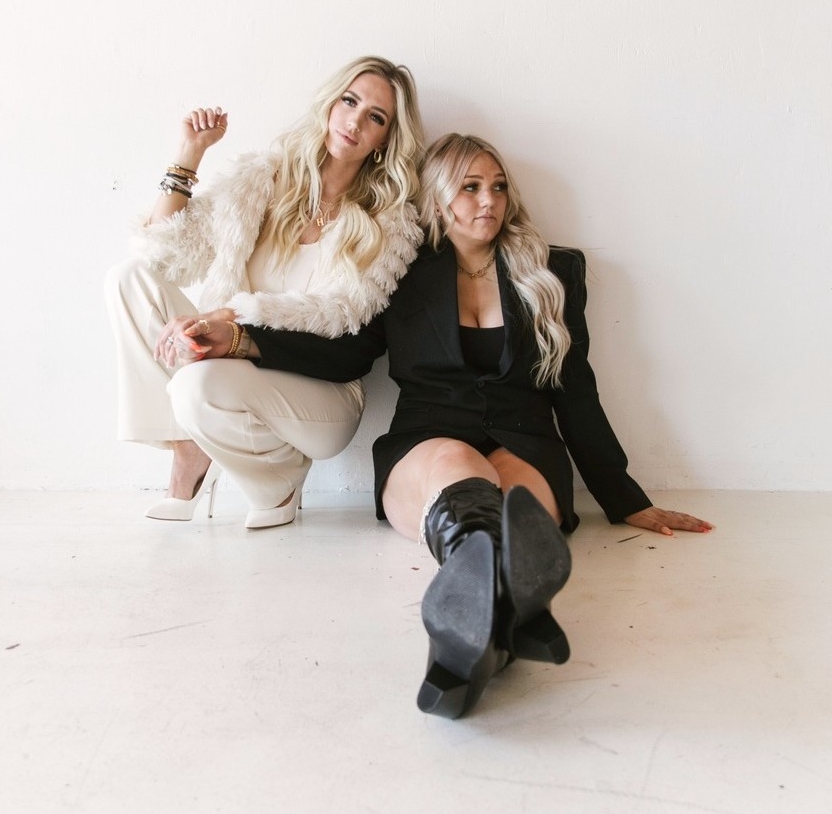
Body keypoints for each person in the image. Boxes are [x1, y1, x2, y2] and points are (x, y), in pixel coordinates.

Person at [245, 133, 714, 718]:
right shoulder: (398, 272)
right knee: (458, 469)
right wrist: (243, 339)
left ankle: (468, 640)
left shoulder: (552, 271)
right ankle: (508, 616)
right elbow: (346, 352)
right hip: (427, 443)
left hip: (525, 440)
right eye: (469, 188)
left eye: (497, 187)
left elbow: (575, 390)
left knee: (516, 512)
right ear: (438, 200)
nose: (488, 200)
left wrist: (624, 499)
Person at [104, 56, 424, 528]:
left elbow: (355, 346)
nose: (355, 121)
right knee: (129, 278)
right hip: (233, 365)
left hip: (324, 395)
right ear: (329, 105)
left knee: (195, 383)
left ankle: (280, 479)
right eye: (349, 101)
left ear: (385, 140)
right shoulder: (261, 183)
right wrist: (189, 154)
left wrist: (233, 330)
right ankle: (189, 445)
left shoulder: (388, 223)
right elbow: (163, 253)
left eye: (375, 117)